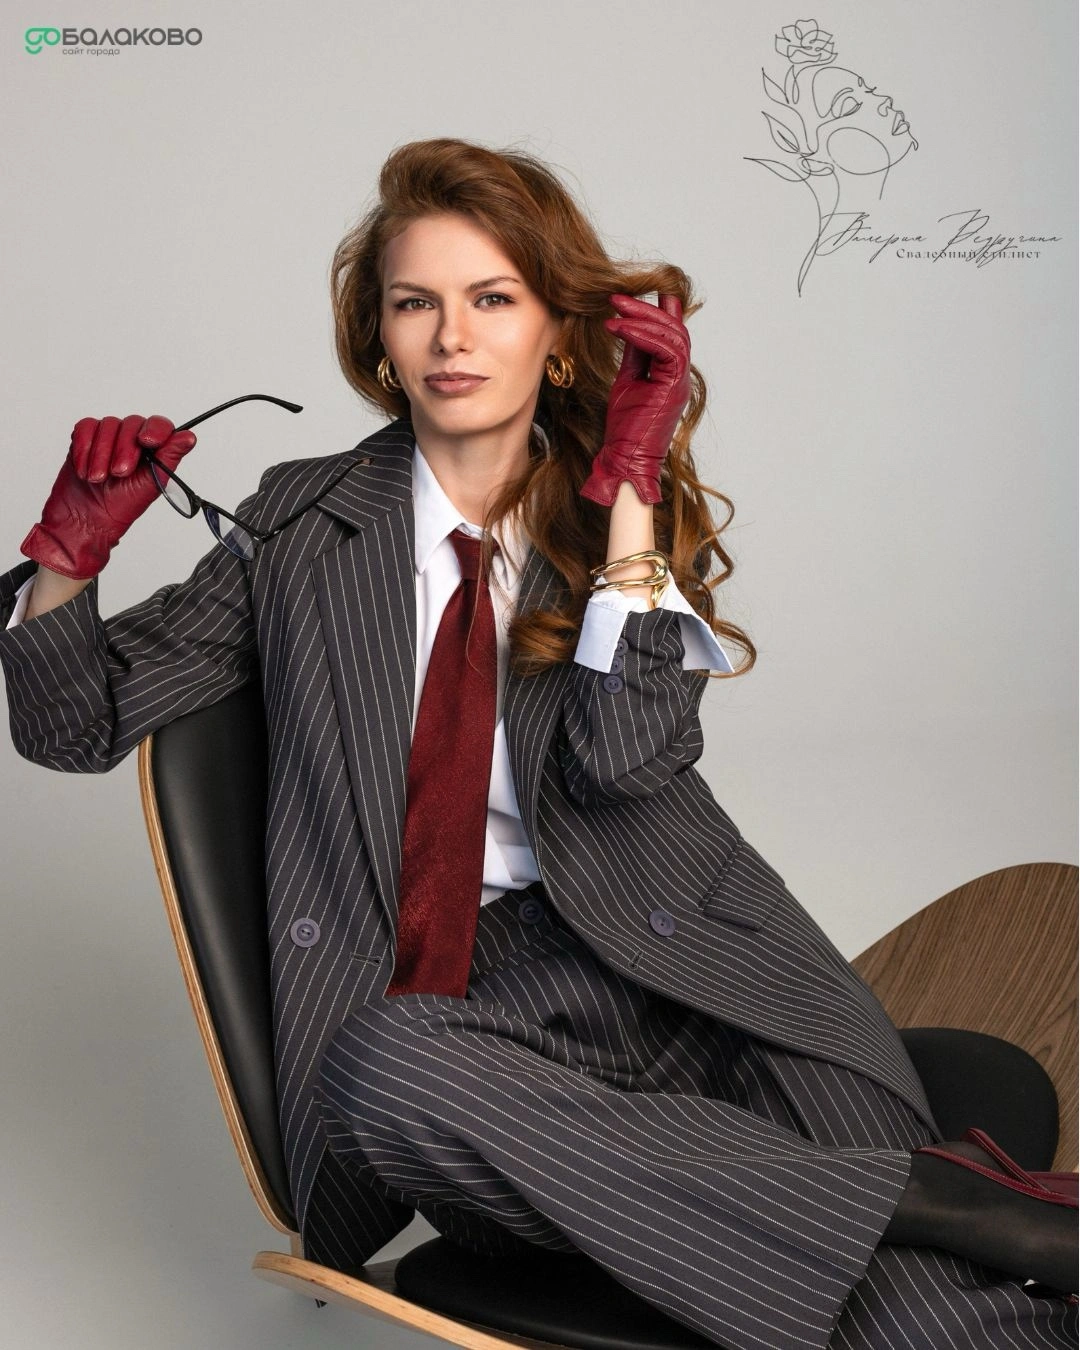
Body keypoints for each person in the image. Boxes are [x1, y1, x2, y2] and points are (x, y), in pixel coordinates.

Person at [0, 137, 1075, 1350]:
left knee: (912, 1315)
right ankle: (945, 1197)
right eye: (416, 303)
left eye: (493, 299)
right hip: (481, 1029)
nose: (452, 337)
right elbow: (72, 727)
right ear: (380, 336)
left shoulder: (613, 516)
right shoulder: (299, 528)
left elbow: (625, 762)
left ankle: (906, 1214)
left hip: (700, 977)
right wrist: (65, 560)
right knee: (382, 1067)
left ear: (558, 333)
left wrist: (632, 504)